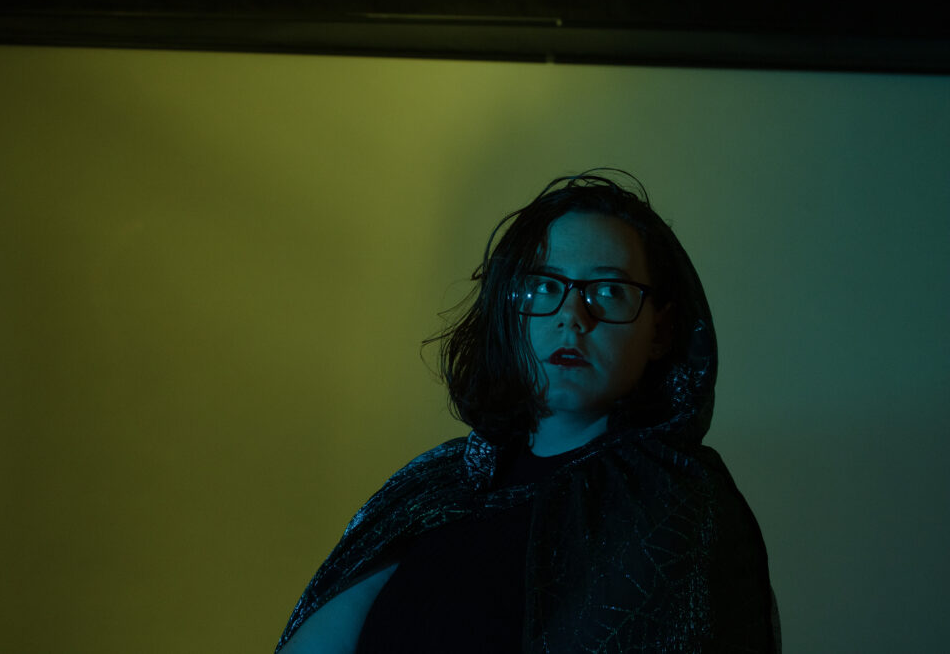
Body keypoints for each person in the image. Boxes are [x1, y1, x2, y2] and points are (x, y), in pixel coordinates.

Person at [276, 171, 779, 653]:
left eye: (609, 290)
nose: (572, 316)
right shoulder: (437, 485)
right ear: (508, 308)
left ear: (660, 331)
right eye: (543, 286)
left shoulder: (676, 507)